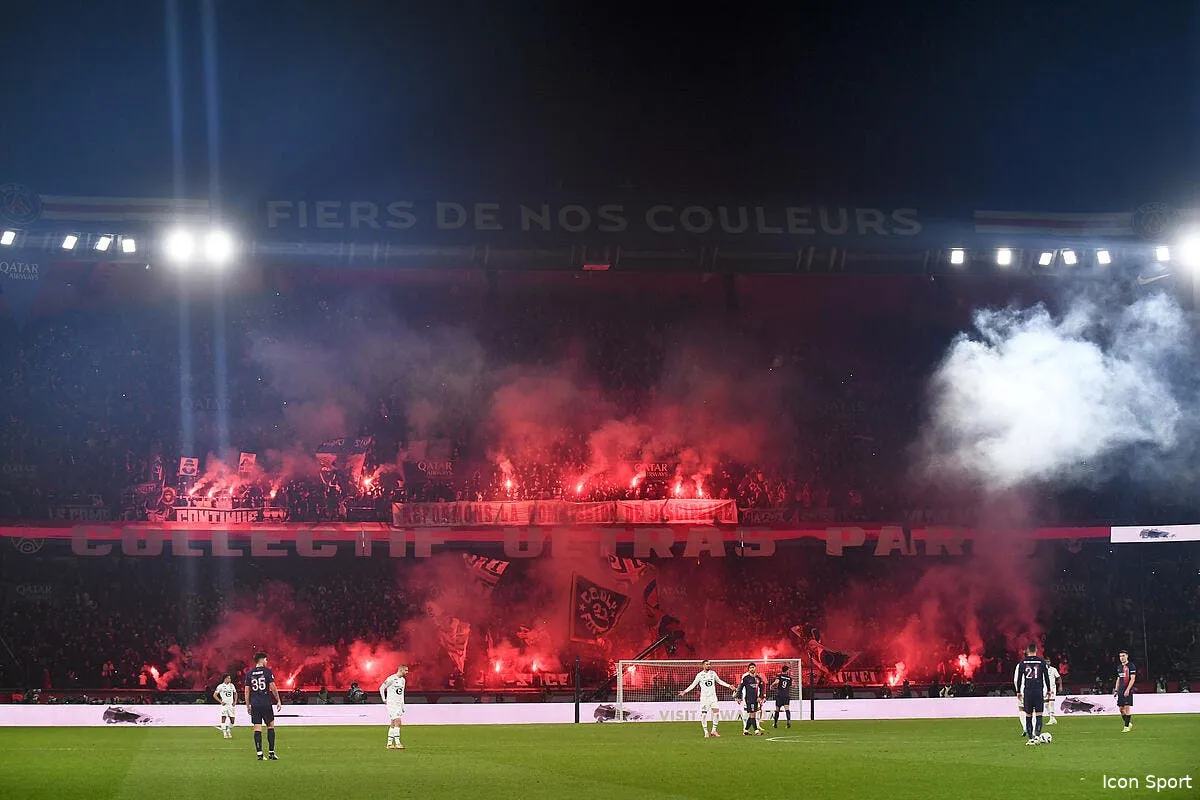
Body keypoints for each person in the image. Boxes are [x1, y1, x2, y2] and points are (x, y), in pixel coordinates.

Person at [677, 659, 736, 739]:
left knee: (716, 713)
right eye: (707, 664)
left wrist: (729, 685)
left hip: (713, 698)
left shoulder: (713, 673)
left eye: (709, 664)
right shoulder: (699, 675)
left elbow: (719, 681)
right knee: (704, 715)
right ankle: (706, 732)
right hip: (704, 698)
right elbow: (693, 685)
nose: (709, 665)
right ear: (703, 665)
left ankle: (714, 731)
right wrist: (685, 691)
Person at [244, 651, 282, 760]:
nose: (266, 661)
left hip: (255, 704)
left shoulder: (249, 673)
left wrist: (248, 705)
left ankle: (259, 754)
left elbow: (247, 691)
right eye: (266, 659)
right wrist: (278, 700)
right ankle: (271, 753)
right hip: (266, 703)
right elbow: (273, 687)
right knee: (270, 726)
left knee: (257, 728)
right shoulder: (267, 672)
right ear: (261, 660)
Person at [1014, 643, 1052, 745]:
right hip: (1038, 691)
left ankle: (1030, 739)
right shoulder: (1041, 661)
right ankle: (1037, 736)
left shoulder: (1022, 662)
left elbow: (1019, 679)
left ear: (1027, 651)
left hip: (1028, 691)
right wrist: (1049, 689)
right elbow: (1046, 677)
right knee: (1039, 714)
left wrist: (1018, 691)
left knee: (1028, 715)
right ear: (1036, 650)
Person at [380, 664, 409, 750]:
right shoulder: (391, 678)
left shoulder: (403, 680)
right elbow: (381, 688)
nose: (407, 672)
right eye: (406, 670)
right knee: (398, 722)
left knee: (393, 723)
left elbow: (401, 693)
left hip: (398, 704)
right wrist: (384, 699)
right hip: (392, 704)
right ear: (401, 670)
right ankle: (398, 743)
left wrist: (403, 705)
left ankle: (389, 744)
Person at [736, 663, 766, 735]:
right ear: (748, 669)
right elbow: (740, 688)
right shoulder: (746, 678)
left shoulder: (758, 678)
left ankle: (746, 730)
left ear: (755, 668)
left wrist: (760, 697)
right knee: (753, 715)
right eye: (751, 668)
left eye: (753, 667)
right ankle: (756, 731)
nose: (752, 669)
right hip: (749, 699)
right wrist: (739, 697)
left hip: (756, 699)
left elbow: (762, 689)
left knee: (751, 715)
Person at [1114, 650, 1136, 733]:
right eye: (1120, 656)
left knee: (1127, 708)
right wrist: (1116, 690)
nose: (1121, 658)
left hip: (1128, 690)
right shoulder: (1119, 667)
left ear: (1127, 656)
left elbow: (1133, 678)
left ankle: (1126, 727)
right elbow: (1118, 679)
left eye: (1123, 656)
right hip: (1120, 690)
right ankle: (1128, 723)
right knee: (1121, 709)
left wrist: (1128, 689)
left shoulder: (1131, 666)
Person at [212, 674, 238, 739]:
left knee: (232, 720)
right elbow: (214, 695)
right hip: (225, 705)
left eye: (230, 678)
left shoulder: (232, 685)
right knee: (223, 718)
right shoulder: (220, 686)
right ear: (225, 679)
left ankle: (228, 730)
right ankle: (224, 734)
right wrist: (220, 701)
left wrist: (235, 701)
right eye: (229, 678)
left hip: (231, 705)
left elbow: (235, 693)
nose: (230, 679)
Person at [769, 664, 794, 729]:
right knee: (787, 709)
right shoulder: (789, 678)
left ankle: (775, 723)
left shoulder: (779, 676)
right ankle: (788, 722)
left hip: (780, 695)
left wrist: (772, 685)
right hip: (786, 695)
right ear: (787, 670)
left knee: (777, 710)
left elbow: (776, 682)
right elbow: (792, 685)